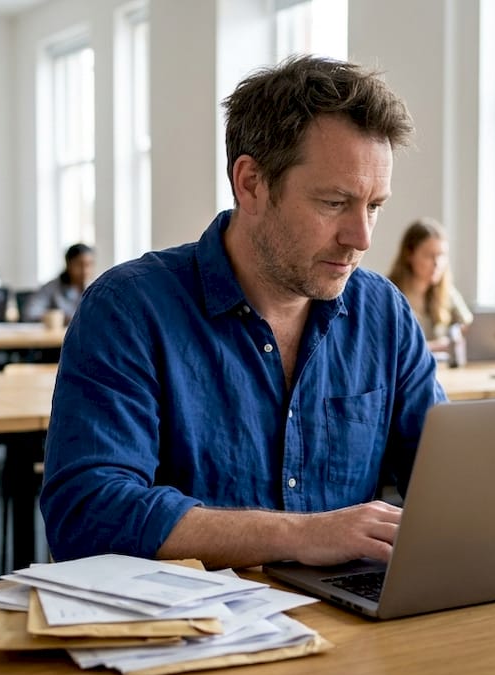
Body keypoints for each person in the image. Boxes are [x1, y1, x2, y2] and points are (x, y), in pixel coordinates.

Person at [40, 55, 441, 570]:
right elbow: (87, 513)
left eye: (374, 206)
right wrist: (300, 536)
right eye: (334, 203)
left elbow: (445, 477)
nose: (361, 238)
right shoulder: (129, 309)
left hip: (344, 612)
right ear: (251, 183)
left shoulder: (383, 312)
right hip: (192, 617)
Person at [388, 218, 473, 356]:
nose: (437, 263)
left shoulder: (447, 292)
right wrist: (433, 347)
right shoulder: (388, 294)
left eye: (442, 255)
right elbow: (388, 348)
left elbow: (469, 327)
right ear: (409, 255)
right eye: (429, 255)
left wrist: (459, 336)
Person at [21, 243, 95, 324]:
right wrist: (60, 318)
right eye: (79, 265)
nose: (85, 270)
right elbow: (30, 312)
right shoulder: (52, 287)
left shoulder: (96, 289)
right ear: (68, 264)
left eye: (89, 265)